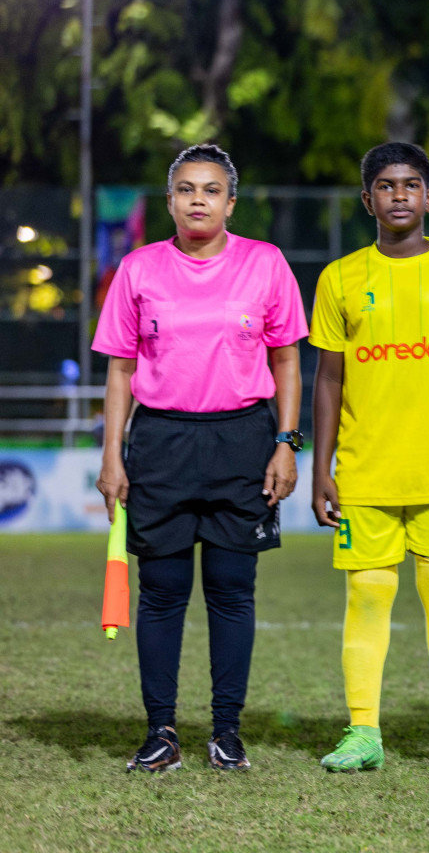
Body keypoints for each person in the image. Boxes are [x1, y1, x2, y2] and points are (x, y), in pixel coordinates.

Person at [94, 144, 307, 772]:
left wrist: (286, 444)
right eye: (185, 189)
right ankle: (161, 731)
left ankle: (226, 731)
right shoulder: (139, 269)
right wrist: (113, 456)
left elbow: (288, 361)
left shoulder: (265, 264)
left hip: (242, 440)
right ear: (169, 201)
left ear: (230, 202)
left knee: (232, 591)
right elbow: (120, 370)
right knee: (160, 593)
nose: (197, 200)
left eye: (211, 190)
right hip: (159, 442)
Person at [310, 142, 429, 773]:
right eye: (386, 186)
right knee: (367, 596)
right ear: (368, 200)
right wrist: (321, 467)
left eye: (411, 184)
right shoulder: (340, 278)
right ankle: (363, 731)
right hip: (364, 470)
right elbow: (328, 380)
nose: (399, 195)